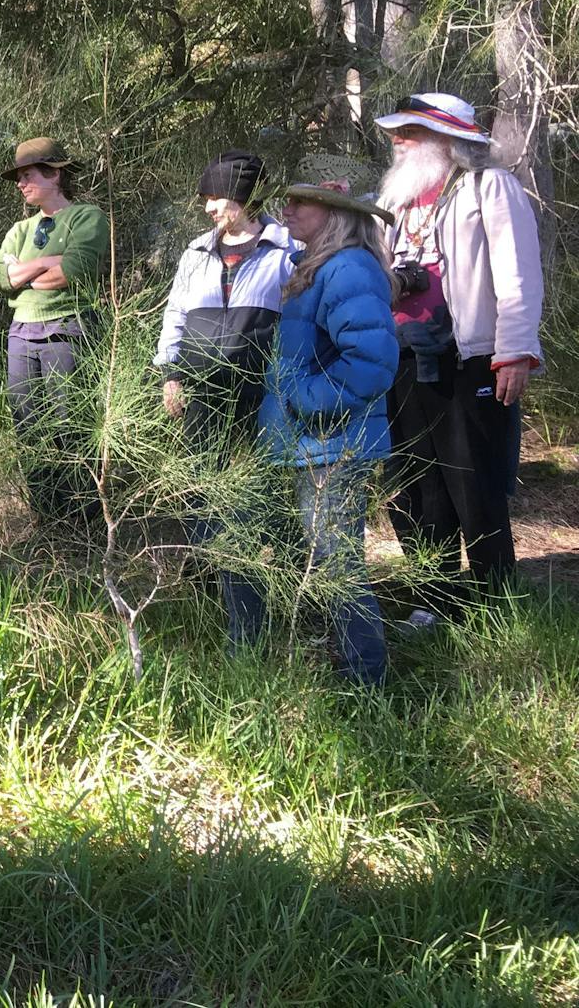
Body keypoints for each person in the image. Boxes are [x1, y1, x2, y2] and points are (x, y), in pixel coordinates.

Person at [374, 92, 544, 625]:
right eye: (398, 131)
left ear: (448, 139)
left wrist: (514, 350)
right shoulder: (396, 202)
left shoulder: (488, 187)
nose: (399, 140)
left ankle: (496, 608)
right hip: (403, 361)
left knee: (475, 484)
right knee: (416, 486)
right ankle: (435, 603)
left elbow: (518, 274)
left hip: (471, 358)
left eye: (411, 131)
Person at [225, 178, 398, 686]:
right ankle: (319, 671)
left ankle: (365, 687)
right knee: (315, 559)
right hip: (307, 444)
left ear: (335, 213)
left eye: (301, 201)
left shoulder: (347, 268)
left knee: (337, 567)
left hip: (331, 446)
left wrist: (304, 400)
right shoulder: (320, 267)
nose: (287, 207)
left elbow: (372, 361)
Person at [153, 151, 295, 546]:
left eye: (216, 197)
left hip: (262, 389)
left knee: (262, 479)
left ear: (244, 196)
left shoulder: (286, 251)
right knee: (199, 479)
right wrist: (170, 373)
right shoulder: (195, 252)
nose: (208, 207)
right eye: (205, 199)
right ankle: (205, 570)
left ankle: (264, 563)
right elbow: (176, 314)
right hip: (202, 388)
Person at [0, 138, 108, 525]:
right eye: (18, 178)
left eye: (28, 175)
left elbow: (73, 272)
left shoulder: (87, 218)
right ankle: (47, 521)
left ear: (55, 174)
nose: (21, 184)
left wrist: (23, 270)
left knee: (71, 427)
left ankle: (83, 525)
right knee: (30, 431)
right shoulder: (19, 229)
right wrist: (43, 264)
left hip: (68, 331)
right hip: (22, 335)